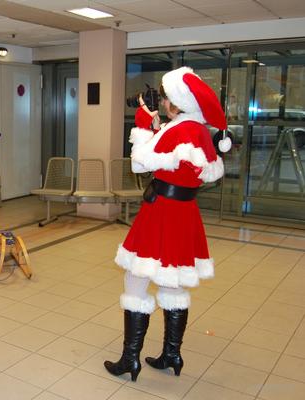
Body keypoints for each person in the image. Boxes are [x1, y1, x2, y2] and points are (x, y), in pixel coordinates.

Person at [104, 66, 228, 381]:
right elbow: (186, 162)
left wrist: (145, 127)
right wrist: (159, 127)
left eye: (164, 97)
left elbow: (140, 162)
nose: (160, 102)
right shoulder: (198, 130)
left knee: (135, 278)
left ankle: (129, 359)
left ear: (175, 101)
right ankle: (172, 353)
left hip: (161, 211)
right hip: (185, 212)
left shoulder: (177, 130)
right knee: (172, 281)